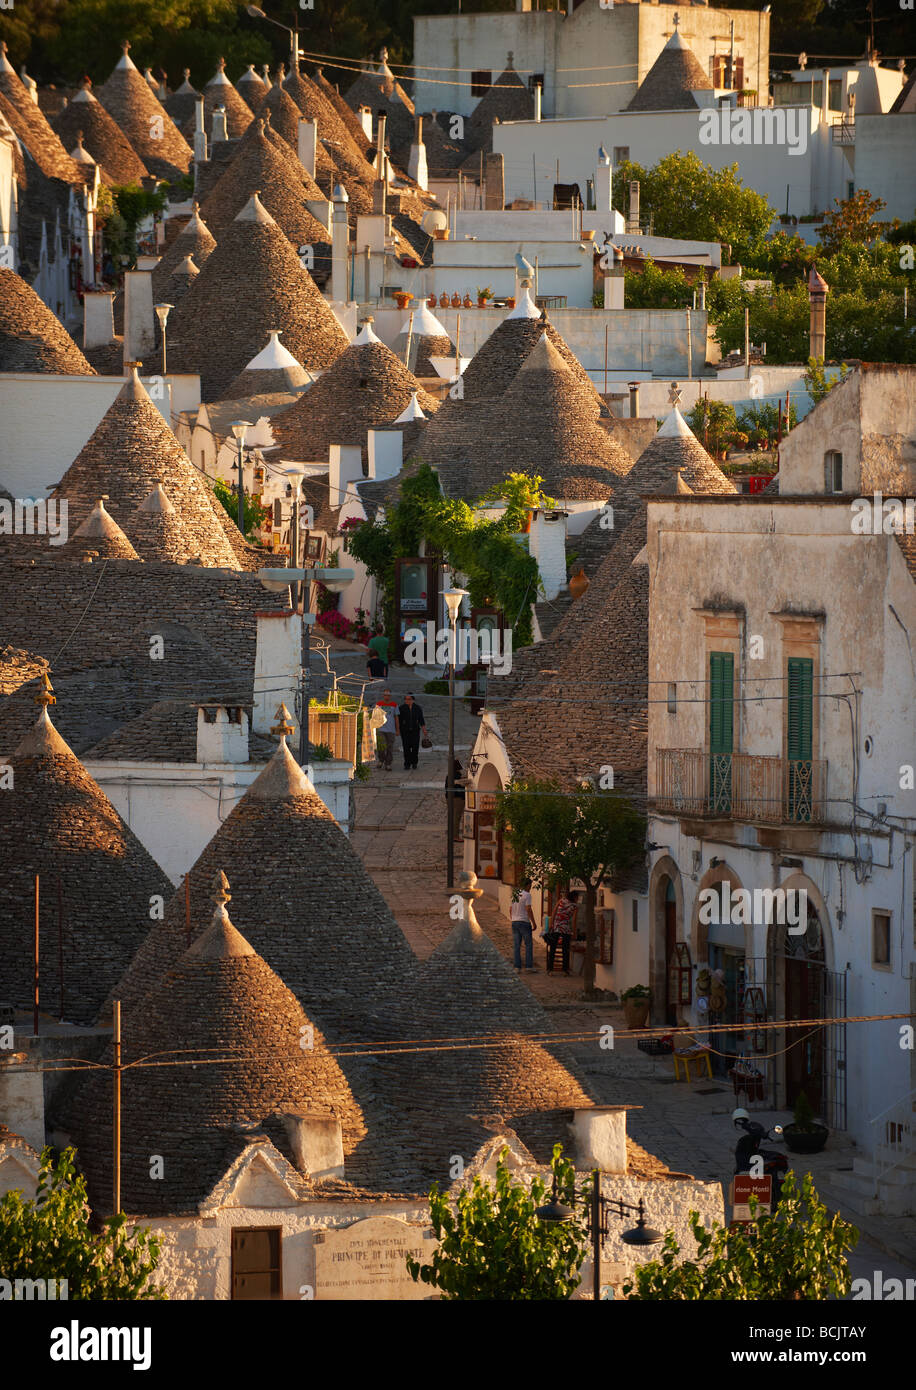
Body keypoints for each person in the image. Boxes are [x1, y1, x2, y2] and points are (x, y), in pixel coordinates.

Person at [547, 889, 579, 976]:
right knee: (565, 949)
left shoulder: (561, 900)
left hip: (556, 926)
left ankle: (550, 969)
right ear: (575, 897)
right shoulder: (575, 906)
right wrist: (574, 932)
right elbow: (574, 920)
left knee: (553, 948)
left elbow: (554, 912)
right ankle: (565, 970)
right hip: (566, 928)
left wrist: (551, 924)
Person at [510, 878, 537, 972]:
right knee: (528, 944)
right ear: (527, 885)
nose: (530, 887)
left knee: (517, 945)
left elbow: (511, 908)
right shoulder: (527, 895)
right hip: (524, 922)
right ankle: (529, 966)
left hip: (515, 921)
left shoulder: (515, 894)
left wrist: (513, 918)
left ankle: (517, 967)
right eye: (530, 885)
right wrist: (533, 922)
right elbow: (528, 909)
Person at [397, 692, 427, 770]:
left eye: (409, 699)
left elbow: (421, 720)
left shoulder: (417, 708)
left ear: (413, 700)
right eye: (406, 699)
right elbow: (398, 720)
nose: (407, 701)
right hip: (405, 731)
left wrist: (424, 730)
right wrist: (398, 730)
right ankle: (407, 764)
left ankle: (414, 763)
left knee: (415, 747)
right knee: (406, 748)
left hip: (415, 731)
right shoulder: (401, 708)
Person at [374, 688, 398, 770]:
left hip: (391, 729)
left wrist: (397, 729)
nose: (386, 697)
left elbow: (396, 717)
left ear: (390, 696)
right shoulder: (379, 704)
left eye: (388, 695)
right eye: (385, 695)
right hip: (381, 729)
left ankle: (388, 763)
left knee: (390, 747)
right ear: (383, 695)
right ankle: (381, 760)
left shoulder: (394, 705)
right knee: (381, 747)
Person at [444, 758, 465, 839]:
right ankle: (455, 836)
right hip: (457, 799)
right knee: (456, 817)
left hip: (449, 798)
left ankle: (451, 834)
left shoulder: (449, 775)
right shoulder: (456, 775)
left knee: (452, 817)